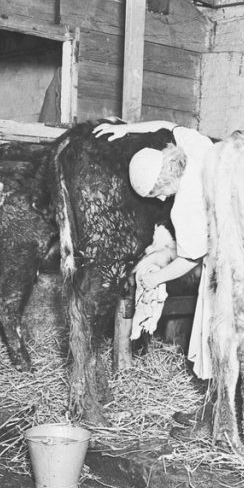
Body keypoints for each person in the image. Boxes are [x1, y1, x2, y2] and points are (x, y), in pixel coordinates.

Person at [93, 120, 218, 431]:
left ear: (164, 179)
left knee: (212, 331)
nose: (161, 200)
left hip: (228, 256)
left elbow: (190, 259)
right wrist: (128, 129)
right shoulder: (193, 146)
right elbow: (169, 125)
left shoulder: (185, 202)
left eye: (158, 192)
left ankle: (214, 415)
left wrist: (155, 278)